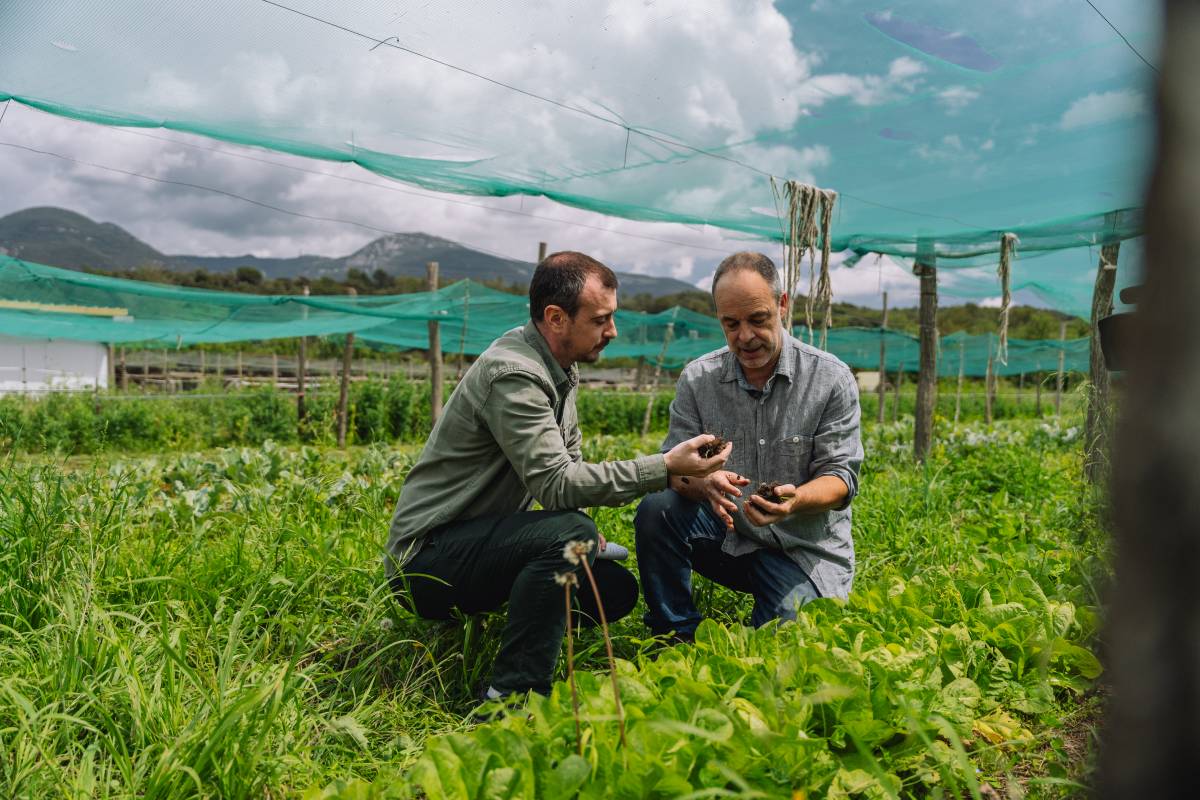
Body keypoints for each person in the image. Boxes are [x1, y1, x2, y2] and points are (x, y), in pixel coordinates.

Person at [384, 251, 730, 699]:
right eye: (601, 319)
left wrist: (592, 534)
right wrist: (663, 467)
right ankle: (514, 694)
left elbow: (569, 461)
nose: (612, 331)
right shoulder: (514, 374)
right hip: (423, 563)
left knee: (612, 590)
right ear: (556, 317)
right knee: (569, 534)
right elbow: (556, 483)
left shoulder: (560, 368)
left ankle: (507, 630)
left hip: (476, 542)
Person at [634, 251, 863, 641]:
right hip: (727, 535)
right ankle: (675, 635)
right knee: (659, 511)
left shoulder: (830, 379)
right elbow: (673, 469)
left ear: (782, 305)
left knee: (784, 642)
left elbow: (841, 479)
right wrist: (702, 483)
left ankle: (778, 605)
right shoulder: (698, 380)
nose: (745, 337)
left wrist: (795, 501)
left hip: (801, 550)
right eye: (731, 323)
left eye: (758, 319)